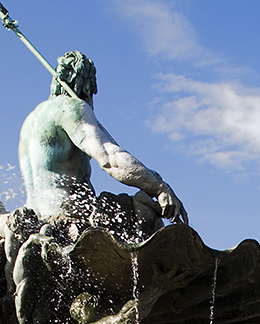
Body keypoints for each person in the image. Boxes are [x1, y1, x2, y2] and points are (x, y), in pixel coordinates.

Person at [19, 51, 186, 230]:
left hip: (36, 214)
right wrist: (158, 187)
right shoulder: (71, 108)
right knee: (146, 210)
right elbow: (110, 159)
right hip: (70, 214)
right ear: (86, 84)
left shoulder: (31, 120)